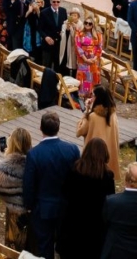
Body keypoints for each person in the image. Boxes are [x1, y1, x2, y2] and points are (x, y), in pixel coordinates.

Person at [23, 111, 81, 259]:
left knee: (45, 246)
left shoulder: (34, 154)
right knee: (66, 245)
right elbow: (77, 178)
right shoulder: (72, 150)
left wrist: (29, 206)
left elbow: (29, 183)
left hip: (43, 208)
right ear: (58, 127)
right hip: (66, 206)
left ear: (40, 128)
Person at [57, 137, 116, 259]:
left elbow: (65, 193)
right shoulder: (107, 177)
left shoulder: (75, 170)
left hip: (73, 227)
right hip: (96, 229)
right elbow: (110, 202)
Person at [0, 127, 35, 253]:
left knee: (12, 242)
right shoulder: (34, 162)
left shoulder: (6, 165)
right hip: (30, 211)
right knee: (27, 244)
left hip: (12, 211)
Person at [77, 85, 121, 178]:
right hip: (107, 155)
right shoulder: (113, 115)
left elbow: (80, 131)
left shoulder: (93, 116)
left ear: (98, 98)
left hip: (94, 155)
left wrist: (87, 111)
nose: (91, 98)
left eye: (93, 95)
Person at [74, 16, 103, 100]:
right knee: (84, 78)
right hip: (83, 60)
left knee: (93, 77)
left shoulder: (98, 35)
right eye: (85, 23)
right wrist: (85, 59)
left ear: (92, 25)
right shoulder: (79, 33)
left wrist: (94, 58)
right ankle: (82, 97)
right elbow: (77, 46)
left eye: (89, 23)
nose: (87, 25)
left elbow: (99, 47)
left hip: (94, 61)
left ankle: (92, 96)